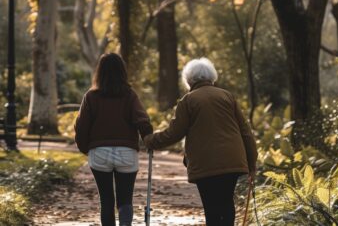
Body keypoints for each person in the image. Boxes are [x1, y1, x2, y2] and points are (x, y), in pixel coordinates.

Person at [144, 57, 258, 226]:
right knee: (226, 203)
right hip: (232, 159)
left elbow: (174, 133)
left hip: (206, 163)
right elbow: (245, 132)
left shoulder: (188, 101)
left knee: (211, 207)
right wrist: (252, 163)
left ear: (189, 80)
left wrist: (150, 140)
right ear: (211, 77)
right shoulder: (227, 96)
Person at [74, 53, 152, 226]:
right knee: (125, 200)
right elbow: (142, 120)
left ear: (99, 72)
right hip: (126, 153)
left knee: (106, 201)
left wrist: (86, 148)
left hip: (99, 153)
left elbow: (81, 126)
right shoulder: (130, 95)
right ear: (122, 72)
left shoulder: (91, 97)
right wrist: (149, 137)